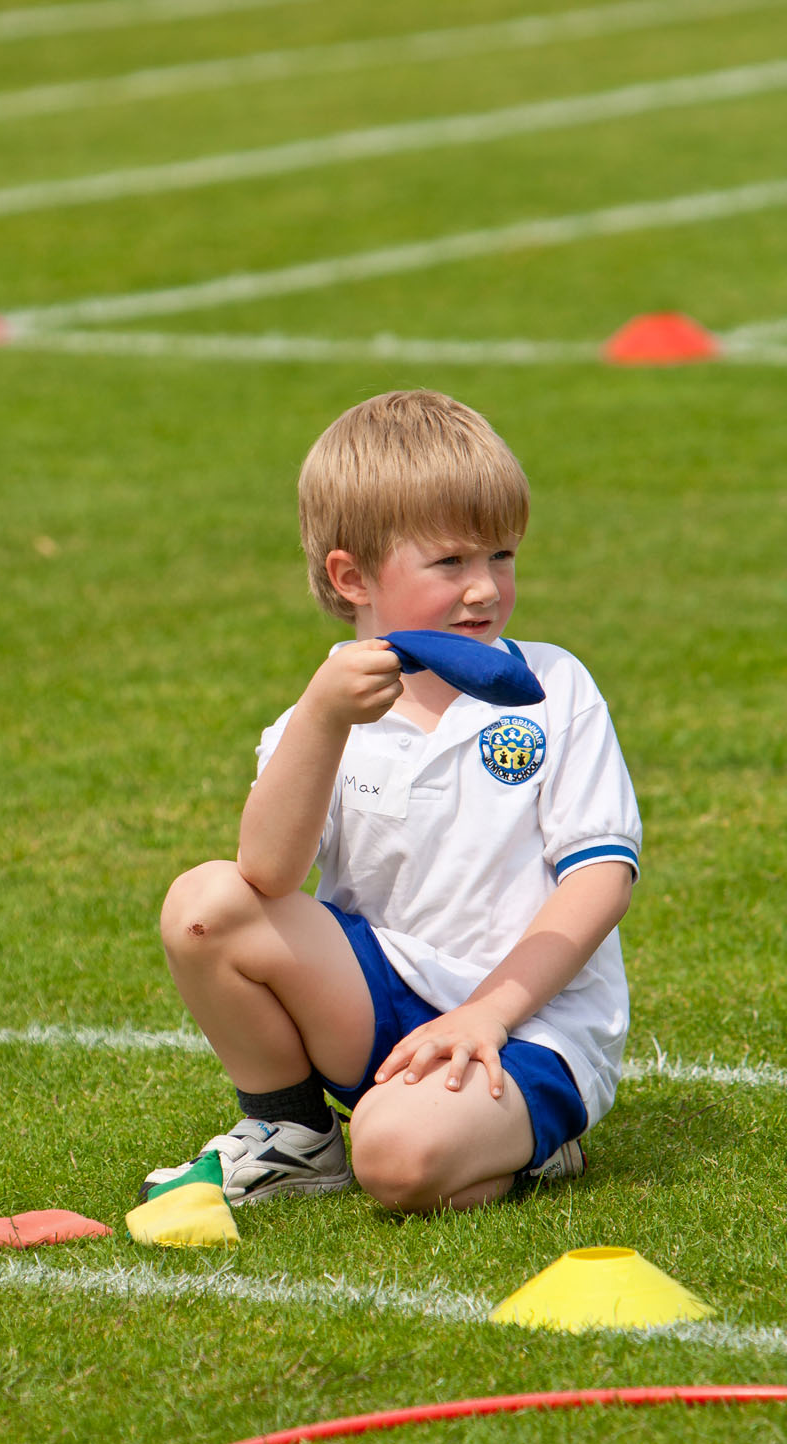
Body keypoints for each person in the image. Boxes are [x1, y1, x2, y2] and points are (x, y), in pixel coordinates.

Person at [146, 390, 641, 1214]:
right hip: (384, 1004)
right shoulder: (323, 716)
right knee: (203, 905)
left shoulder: (555, 687)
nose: (484, 588)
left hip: (533, 1024)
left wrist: (488, 1015)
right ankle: (293, 1135)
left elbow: (599, 882)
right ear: (352, 577)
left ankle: (527, 1138)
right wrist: (324, 718)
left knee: (395, 1158)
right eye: (451, 563)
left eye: (503, 557)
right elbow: (266, 873)